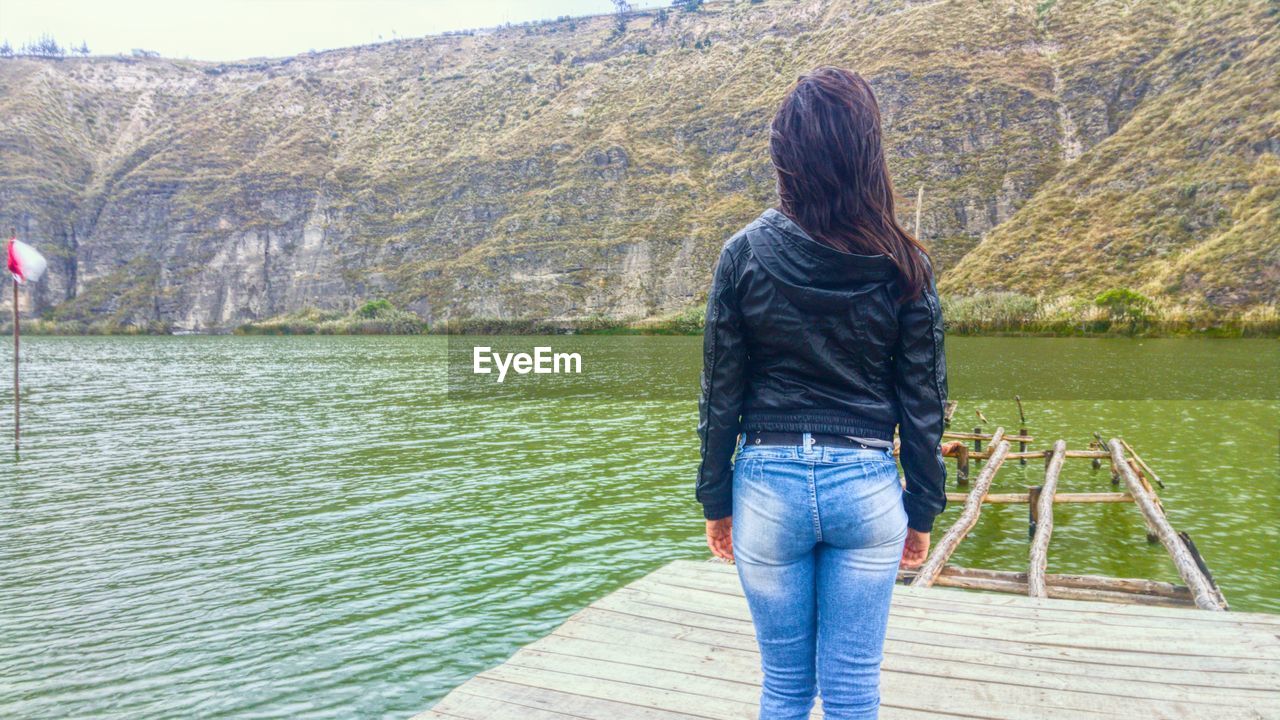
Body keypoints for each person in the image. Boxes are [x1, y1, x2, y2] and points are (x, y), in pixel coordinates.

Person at [694, 66, 947, 720]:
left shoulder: (741, 255)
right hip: (866, 487)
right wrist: (921, 509)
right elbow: (924, 404)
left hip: (767, 488)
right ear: (868, 154)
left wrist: (715, 500)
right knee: (853, 690)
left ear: (786, 155)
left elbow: (720, 396)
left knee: (783, 689)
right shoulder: (905, 265)